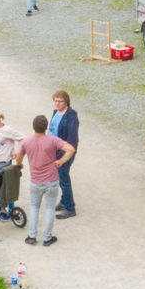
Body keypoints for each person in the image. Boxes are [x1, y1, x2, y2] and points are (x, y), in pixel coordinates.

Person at [14, 115, 68, 246]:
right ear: (46, 127)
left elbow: (18, 158)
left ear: (33, 126)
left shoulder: (26, 142)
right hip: (51, 180)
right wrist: (61, 161)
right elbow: (70, 149)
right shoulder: (53, 140)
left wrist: (20, 165)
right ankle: (47, 238)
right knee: (50, 208)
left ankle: (32, 236)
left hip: (35, 181)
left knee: (34, 207)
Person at [46, 90, 80, 219]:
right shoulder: (55, 112)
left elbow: (72, 139)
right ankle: (64, 201)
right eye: (55, 101)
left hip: (65, 152)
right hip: (54, 150)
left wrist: (62, 154)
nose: (57, 103)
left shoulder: (71, 116)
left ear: (66, 102)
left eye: (60, 101)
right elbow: (52, 131)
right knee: (60, 178)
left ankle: (70, 208)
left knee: (63, 178)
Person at [0, 111, 24, 220]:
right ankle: (2, 209)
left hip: (5, 163)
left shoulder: (7, 130)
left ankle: (11, 211)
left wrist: (16, 152)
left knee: (7, 187)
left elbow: (22, 138)